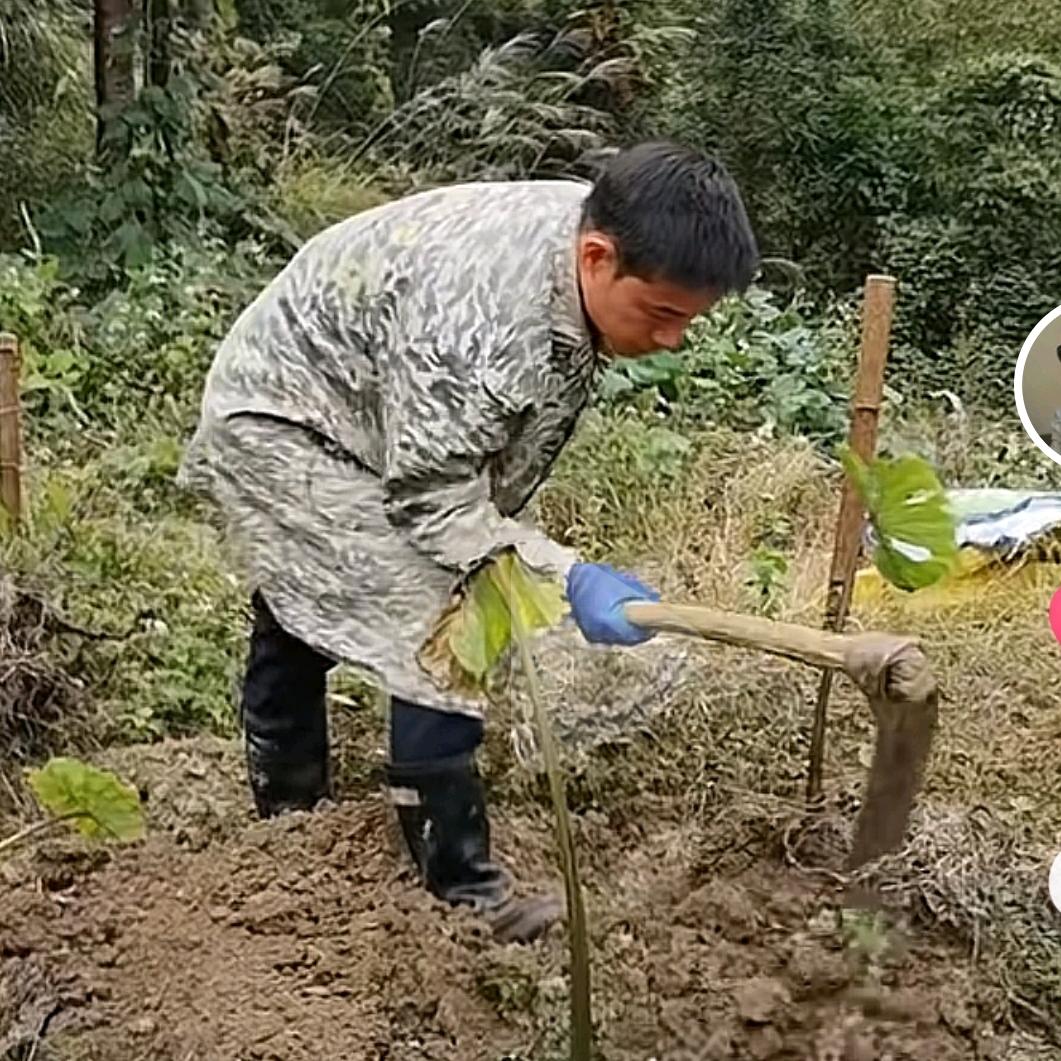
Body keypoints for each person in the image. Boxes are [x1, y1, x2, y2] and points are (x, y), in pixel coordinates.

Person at [177, 140, 759, 943]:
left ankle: (294, 823)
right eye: (661, 314)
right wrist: (562, 571)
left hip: (360, 407)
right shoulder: (486, 320)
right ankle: (452, 880)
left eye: (689, 321)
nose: (671, 341)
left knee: (347, 582)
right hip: (283, 419)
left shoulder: (600, 229)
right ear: (596, 256)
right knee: (439, 611)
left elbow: (476, 454)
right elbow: (432, 502)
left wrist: (515, 552)